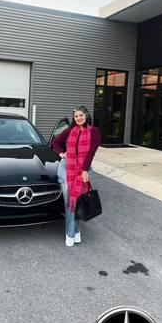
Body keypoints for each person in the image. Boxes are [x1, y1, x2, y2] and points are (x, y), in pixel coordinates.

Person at [52, 106, 101, 247]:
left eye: (81, 115)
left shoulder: (94, 131)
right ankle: (71, 233)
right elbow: (55, 142)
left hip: (81, 172)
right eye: (76, 116)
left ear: (86, 115)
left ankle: (75, 232)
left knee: (77, 201)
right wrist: (61, 153)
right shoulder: (70, 131)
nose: (78, 118)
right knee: (70, 204)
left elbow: (91, 152)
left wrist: (85, 170)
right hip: (66, 170)